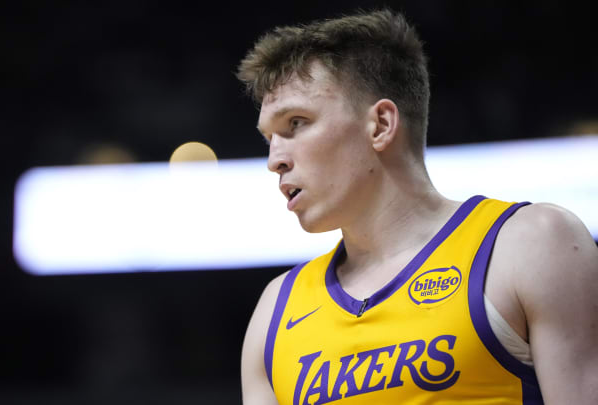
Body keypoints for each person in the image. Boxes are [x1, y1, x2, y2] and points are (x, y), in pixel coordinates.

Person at [236, 9, 598, 405]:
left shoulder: (531, 243)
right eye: (269, 138)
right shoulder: (274, 312)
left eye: (296, 123)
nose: (275, 159)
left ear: (381, 125)